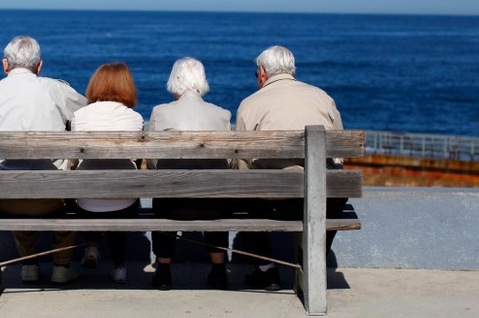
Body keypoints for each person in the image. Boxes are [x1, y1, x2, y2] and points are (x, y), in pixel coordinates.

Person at [0, 35, 87, 285]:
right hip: (53, 199)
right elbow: (87, 116)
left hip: (4, 199)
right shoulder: (56, 89)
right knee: (63, 178)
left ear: (5, 65)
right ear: (39, 66)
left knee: (11, 173)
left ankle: (29, 265)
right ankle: (61, 266)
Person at [235, 45, 346, 291]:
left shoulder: (250, 104)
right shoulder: (322, 97)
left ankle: (266, 269)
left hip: (276, 198)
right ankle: (312, 259)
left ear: (262, 72)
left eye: (256, 74)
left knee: (239, 194)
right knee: (334, 190)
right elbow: (338, 154)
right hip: (325, 196)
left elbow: (241, 163)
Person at [148, 57, 232, 290]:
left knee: (163, 192)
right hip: (213, 205)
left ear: (175, 81)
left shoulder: (160, 112)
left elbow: (153, 160)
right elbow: (229, 161)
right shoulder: (221, 114)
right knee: (217, 191)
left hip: (172, 204)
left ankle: (163, 272)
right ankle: (218, 272)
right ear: (202, 81)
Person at [71, 62, 143, 284]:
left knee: (87, 189)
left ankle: (92, 247)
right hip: (123, 201)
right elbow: (137, 161)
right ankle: (120, 268)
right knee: (120, 196)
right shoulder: (135, 118)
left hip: (86, 203)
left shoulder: (79, 116)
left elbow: (74, 161)